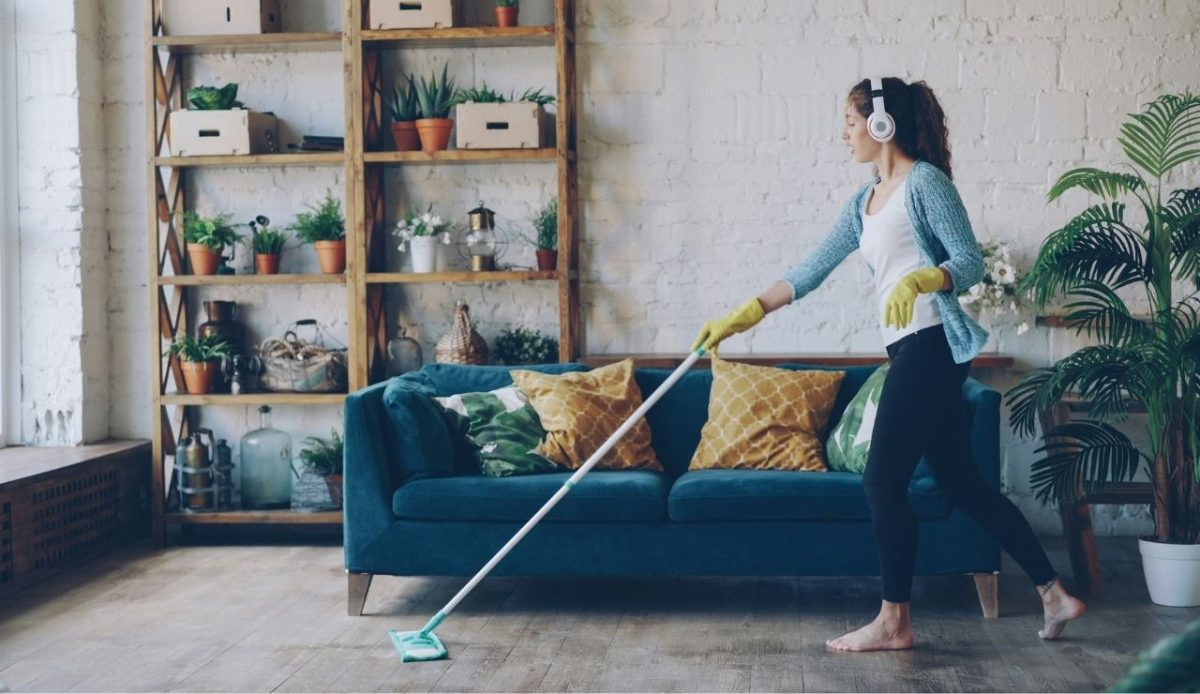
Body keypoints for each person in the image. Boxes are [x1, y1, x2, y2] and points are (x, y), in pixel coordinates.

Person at [691, 77, 1086, 653]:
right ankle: (1054, 593)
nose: (844, 134)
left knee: (881, 480)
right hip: (908, 349)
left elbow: (969, 262)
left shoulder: (925, 184)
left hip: (930, 343)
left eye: (851, 123)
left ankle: (894, 621)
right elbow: (809, 271)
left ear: (881, 125)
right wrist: (742, 314)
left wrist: (927, 277)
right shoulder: (864, 201)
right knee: (963, 484)